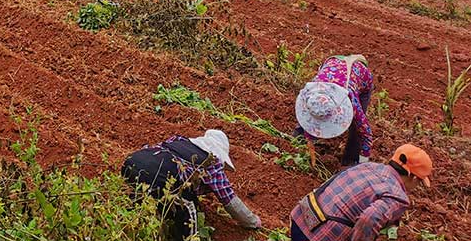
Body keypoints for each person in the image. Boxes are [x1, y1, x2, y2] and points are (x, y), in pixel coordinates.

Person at [122, 129, 261, 240]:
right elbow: (229, 199)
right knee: (188, 209)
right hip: (157, 176)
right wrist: (252, 222)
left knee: (138, 202)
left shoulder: (178, 141)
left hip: (131, 162)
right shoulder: (213, 162)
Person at [289, 144, 432, 241]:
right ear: (412, 177)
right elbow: (368, 220)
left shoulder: (369, 166)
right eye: (419, 181)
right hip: (322, 235)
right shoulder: (398, 197)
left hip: (301, 217)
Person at [296, 55, 374, 167]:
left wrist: (363, 164)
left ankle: (351, 161)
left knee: (356, 127)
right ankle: (299, 139)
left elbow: (366, 134)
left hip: (360, 75)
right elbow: (308, 113)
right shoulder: (310, 92)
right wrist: (310, 149)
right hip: (332, 63)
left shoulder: (350, 99)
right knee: (311, 112)